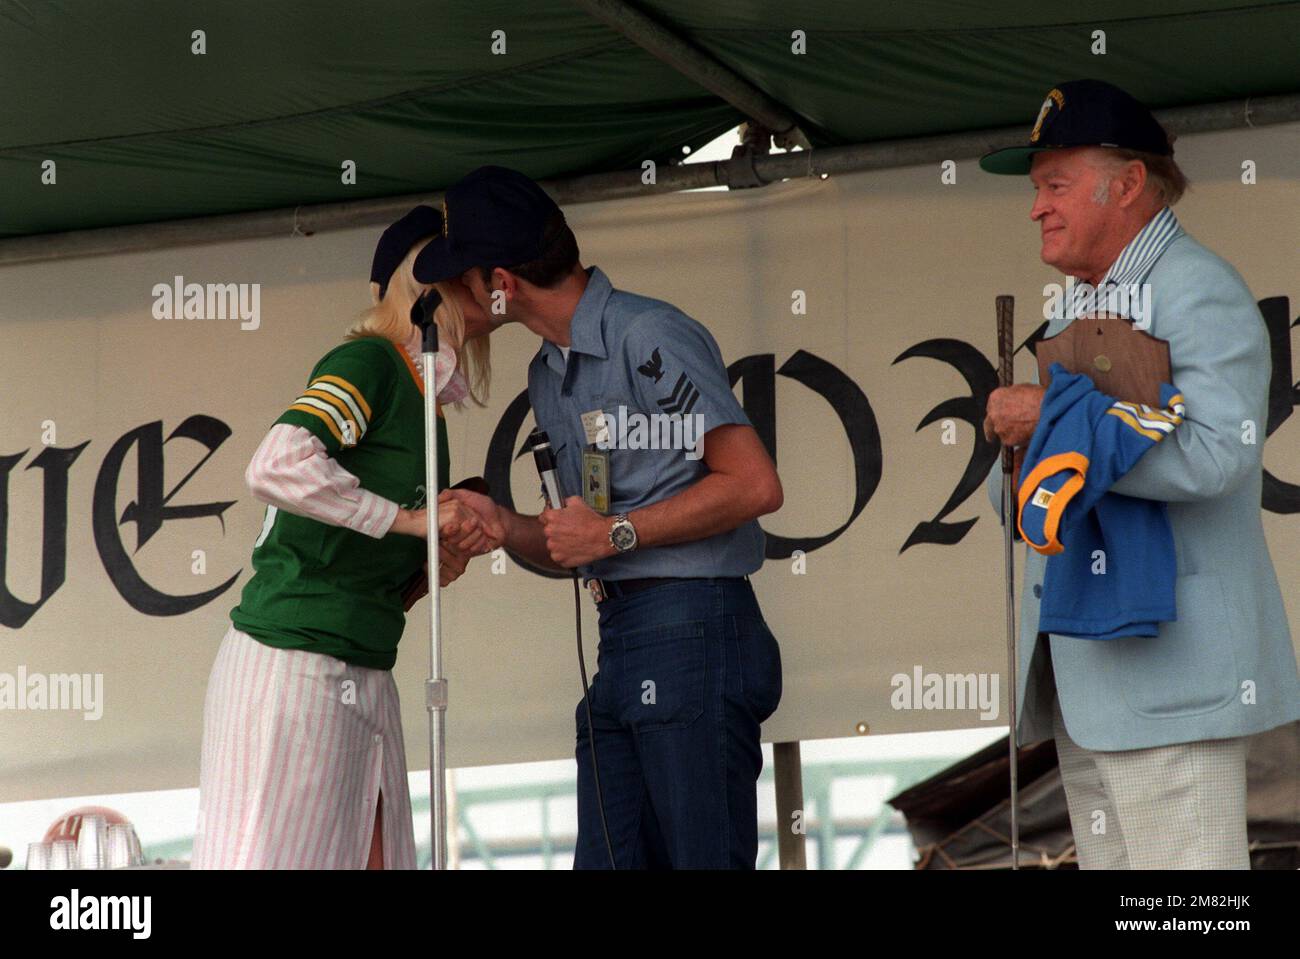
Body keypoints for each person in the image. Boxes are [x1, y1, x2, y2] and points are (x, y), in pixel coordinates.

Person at [422, 166, 785, 869]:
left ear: (501, 281)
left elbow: (755, 483)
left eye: (460, 275)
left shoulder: (646, 334)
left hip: (693, 624)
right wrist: (505, 524)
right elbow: (581, 533)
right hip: (621, 636)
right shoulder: (547, 371)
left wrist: (617, 532)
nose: (454, 294)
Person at [980, 79, 1300, 868]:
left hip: (1169, 675)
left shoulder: (1198, 290)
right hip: (1096, 671)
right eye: (1036, 189)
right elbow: (1028, 494)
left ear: (1126, 184)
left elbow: (1224, 453)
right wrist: (1017, 442)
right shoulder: (1074, 309)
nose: (1036, 207)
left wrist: (1055, 419)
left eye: (1054, 184)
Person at [192, 206, 501, 869]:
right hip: (292, 662)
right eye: (471, 273)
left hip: (365, 664)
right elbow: (275, 463)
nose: (487, 286)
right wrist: (417, 522)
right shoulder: (371, 361)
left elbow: (362, 556)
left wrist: (428, 566)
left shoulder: (427, 400)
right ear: (433, 290)